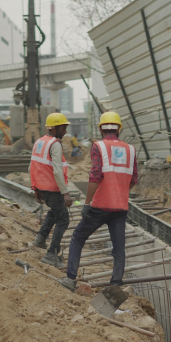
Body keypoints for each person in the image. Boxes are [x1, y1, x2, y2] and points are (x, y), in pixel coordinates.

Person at [59, 111, 137, 292]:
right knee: (119, 247)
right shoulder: (131, 149)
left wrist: (87, 203)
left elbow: (95, 176)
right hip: (120, 206)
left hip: (100, 205)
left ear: (101, 128)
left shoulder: (98, 147)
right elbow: (133, 179)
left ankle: (70, 279)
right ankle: (116, 285)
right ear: (119, 129)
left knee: (78, 238)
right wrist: (120, 192)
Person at [29, 112, 73, 268]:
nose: (65, 131)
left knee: (54, 213)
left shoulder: (39, 142)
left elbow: (32, 166)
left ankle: (40, 239)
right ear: (55, 128)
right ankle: (51, 255)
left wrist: (35, 188)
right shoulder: (55, 144)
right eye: (63, 128)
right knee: (63, 220)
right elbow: (57, 170)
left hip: (43, 188)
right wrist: (65, 193)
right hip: (53, 190)